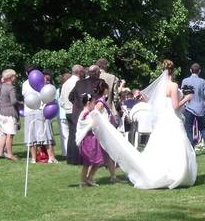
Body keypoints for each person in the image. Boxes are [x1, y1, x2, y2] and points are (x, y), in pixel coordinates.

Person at [81, 59, 197, 189]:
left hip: (163, 120)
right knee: (175, 146)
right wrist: (187, 98)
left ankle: (162, 172)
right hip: (172, 118)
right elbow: (175, 106)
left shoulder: (161, 86)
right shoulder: (173, 86)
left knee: (161, 147)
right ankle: (176, 173)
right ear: (173, 70)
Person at [76, 82, 118, 186]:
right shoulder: (86, 113)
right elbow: (89, 122)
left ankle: (90, 178)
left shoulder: (89, 111)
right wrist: (97, 123)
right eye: (93, 103)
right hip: (88, 140)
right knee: (88, 162)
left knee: (97, 160)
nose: (94, 105)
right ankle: (83, 181)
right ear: (89, 103)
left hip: (93, 138)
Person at [181, 62, 205, 157]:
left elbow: (184, 94)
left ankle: (191, 148)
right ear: (199, 71)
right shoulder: (203, 82)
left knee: (188, 129)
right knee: (203, 129)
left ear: (190, 70)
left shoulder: (185, 81)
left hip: (189, 107)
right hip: (200, 108)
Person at [22, 68, 55, 164]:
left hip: (29, 110)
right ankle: (51, 157)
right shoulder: (42, 80)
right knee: (45, 133)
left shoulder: (24, 84)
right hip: (40, 109)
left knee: (31, 135)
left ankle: (33, 158)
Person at [60, 65, 83, 165]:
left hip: (67, 111)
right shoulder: (78, 83)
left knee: (71, 135)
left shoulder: (66, 83)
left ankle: (69, 157)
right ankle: (75, 158)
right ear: (79, 72)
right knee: (76, 134)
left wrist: (66, 107)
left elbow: (61, 100)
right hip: (75, 111)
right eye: (82, 71)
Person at [0, 69, 20, 162]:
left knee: (4, 134)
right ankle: (10, 154)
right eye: (14, 75)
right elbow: (14, 101)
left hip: (2, 113)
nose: (16, 77)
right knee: (10, 135)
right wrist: (21, 102)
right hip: (10, 114)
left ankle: (0, 153)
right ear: (10, 77)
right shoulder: (11, 88)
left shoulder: (2, 86)